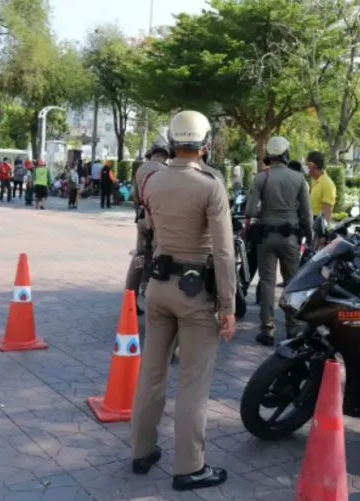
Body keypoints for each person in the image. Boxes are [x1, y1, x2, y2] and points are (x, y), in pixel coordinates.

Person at [130, 110, 235, 492]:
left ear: (173, 142)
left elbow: (149, 231)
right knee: (193, 382)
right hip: (196, 294)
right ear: (205, 145)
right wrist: (228, 305)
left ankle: (141, 452)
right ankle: (190, 467)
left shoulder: (152, 180)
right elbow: (223, 253)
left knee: (151, 373)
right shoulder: (210, 185)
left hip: (158, 288)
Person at [245, 136, 313, 346]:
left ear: (269, 155)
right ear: (285, 154)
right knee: (292, 282)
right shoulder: (299, 179)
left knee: (267, 283)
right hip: (290, 237)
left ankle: (267, 330)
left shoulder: (261, 178)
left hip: (266, 237)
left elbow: (249, 211)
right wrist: (310, 237)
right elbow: (307, 214)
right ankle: (293, 327)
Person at [126, 137, 170, 314]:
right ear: (166, 153)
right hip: (158, 220)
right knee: (159, 257)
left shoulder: (141, 169)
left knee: (140, 257)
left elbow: (136, 198)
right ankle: (155, 301)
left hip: (142, 218)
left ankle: (129, 299)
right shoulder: (165, 171)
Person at [307, 151, 336, 223]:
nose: (306, 167)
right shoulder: (314, 180)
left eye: (307, 165)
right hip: (310, 221)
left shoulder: (327, 184)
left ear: (313, 166)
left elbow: (327, 213)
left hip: (318, 224)